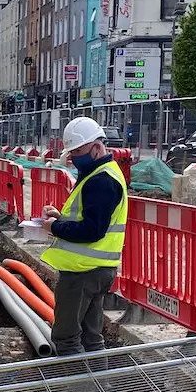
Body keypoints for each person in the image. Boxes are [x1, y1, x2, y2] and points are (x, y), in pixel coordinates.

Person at [40, 116, 128, 356]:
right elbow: (92, 220)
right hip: (97, 270)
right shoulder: (101, 173)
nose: (73, 158)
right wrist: (60, 218)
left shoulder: (101, 181)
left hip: (83, 273)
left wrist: (54, 228)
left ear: (97, 148)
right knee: (91, 337)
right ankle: (95, 390)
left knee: (66, 338)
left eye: (78, 151)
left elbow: (92, 230)